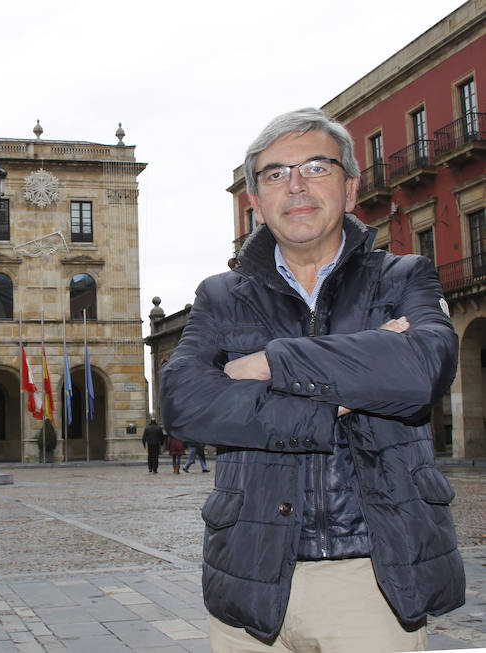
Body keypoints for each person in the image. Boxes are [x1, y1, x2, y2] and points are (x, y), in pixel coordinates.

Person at [160, 108, 464, 652]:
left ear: (350, 189)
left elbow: (422, 373)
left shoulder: (405, 277)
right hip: (248, 578)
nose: (295, 185)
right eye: (275, 174)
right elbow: (183, 403)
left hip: (374, 579)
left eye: (316, 167)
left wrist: (268, 363)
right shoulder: (219, 296)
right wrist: (345, 392)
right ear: (255, 201)